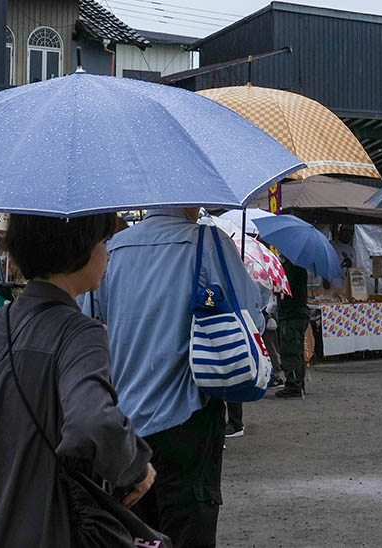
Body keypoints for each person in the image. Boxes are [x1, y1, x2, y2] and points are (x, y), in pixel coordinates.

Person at [0, 213, 154, 548]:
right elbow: (92, 421)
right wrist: (136, 467)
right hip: (43, 525)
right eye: (103, 242)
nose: (108, 254)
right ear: (79, 248)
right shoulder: (80, 334)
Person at [89, 208, 263, 548]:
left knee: (134, 535)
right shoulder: (208, 243)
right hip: (188, 417)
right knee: (189, 531)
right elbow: (251, 317)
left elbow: (90, 322)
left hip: (124, 424)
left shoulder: (112, 249)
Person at [276, 257, 310, 399]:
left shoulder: (292, 267)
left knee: (290, 351)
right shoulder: (299, 266)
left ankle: (293, 384)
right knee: (297, 350)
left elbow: (285, 287)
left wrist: (276, 286)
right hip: (298, 313)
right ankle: (298, 382)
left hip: (292, 314)